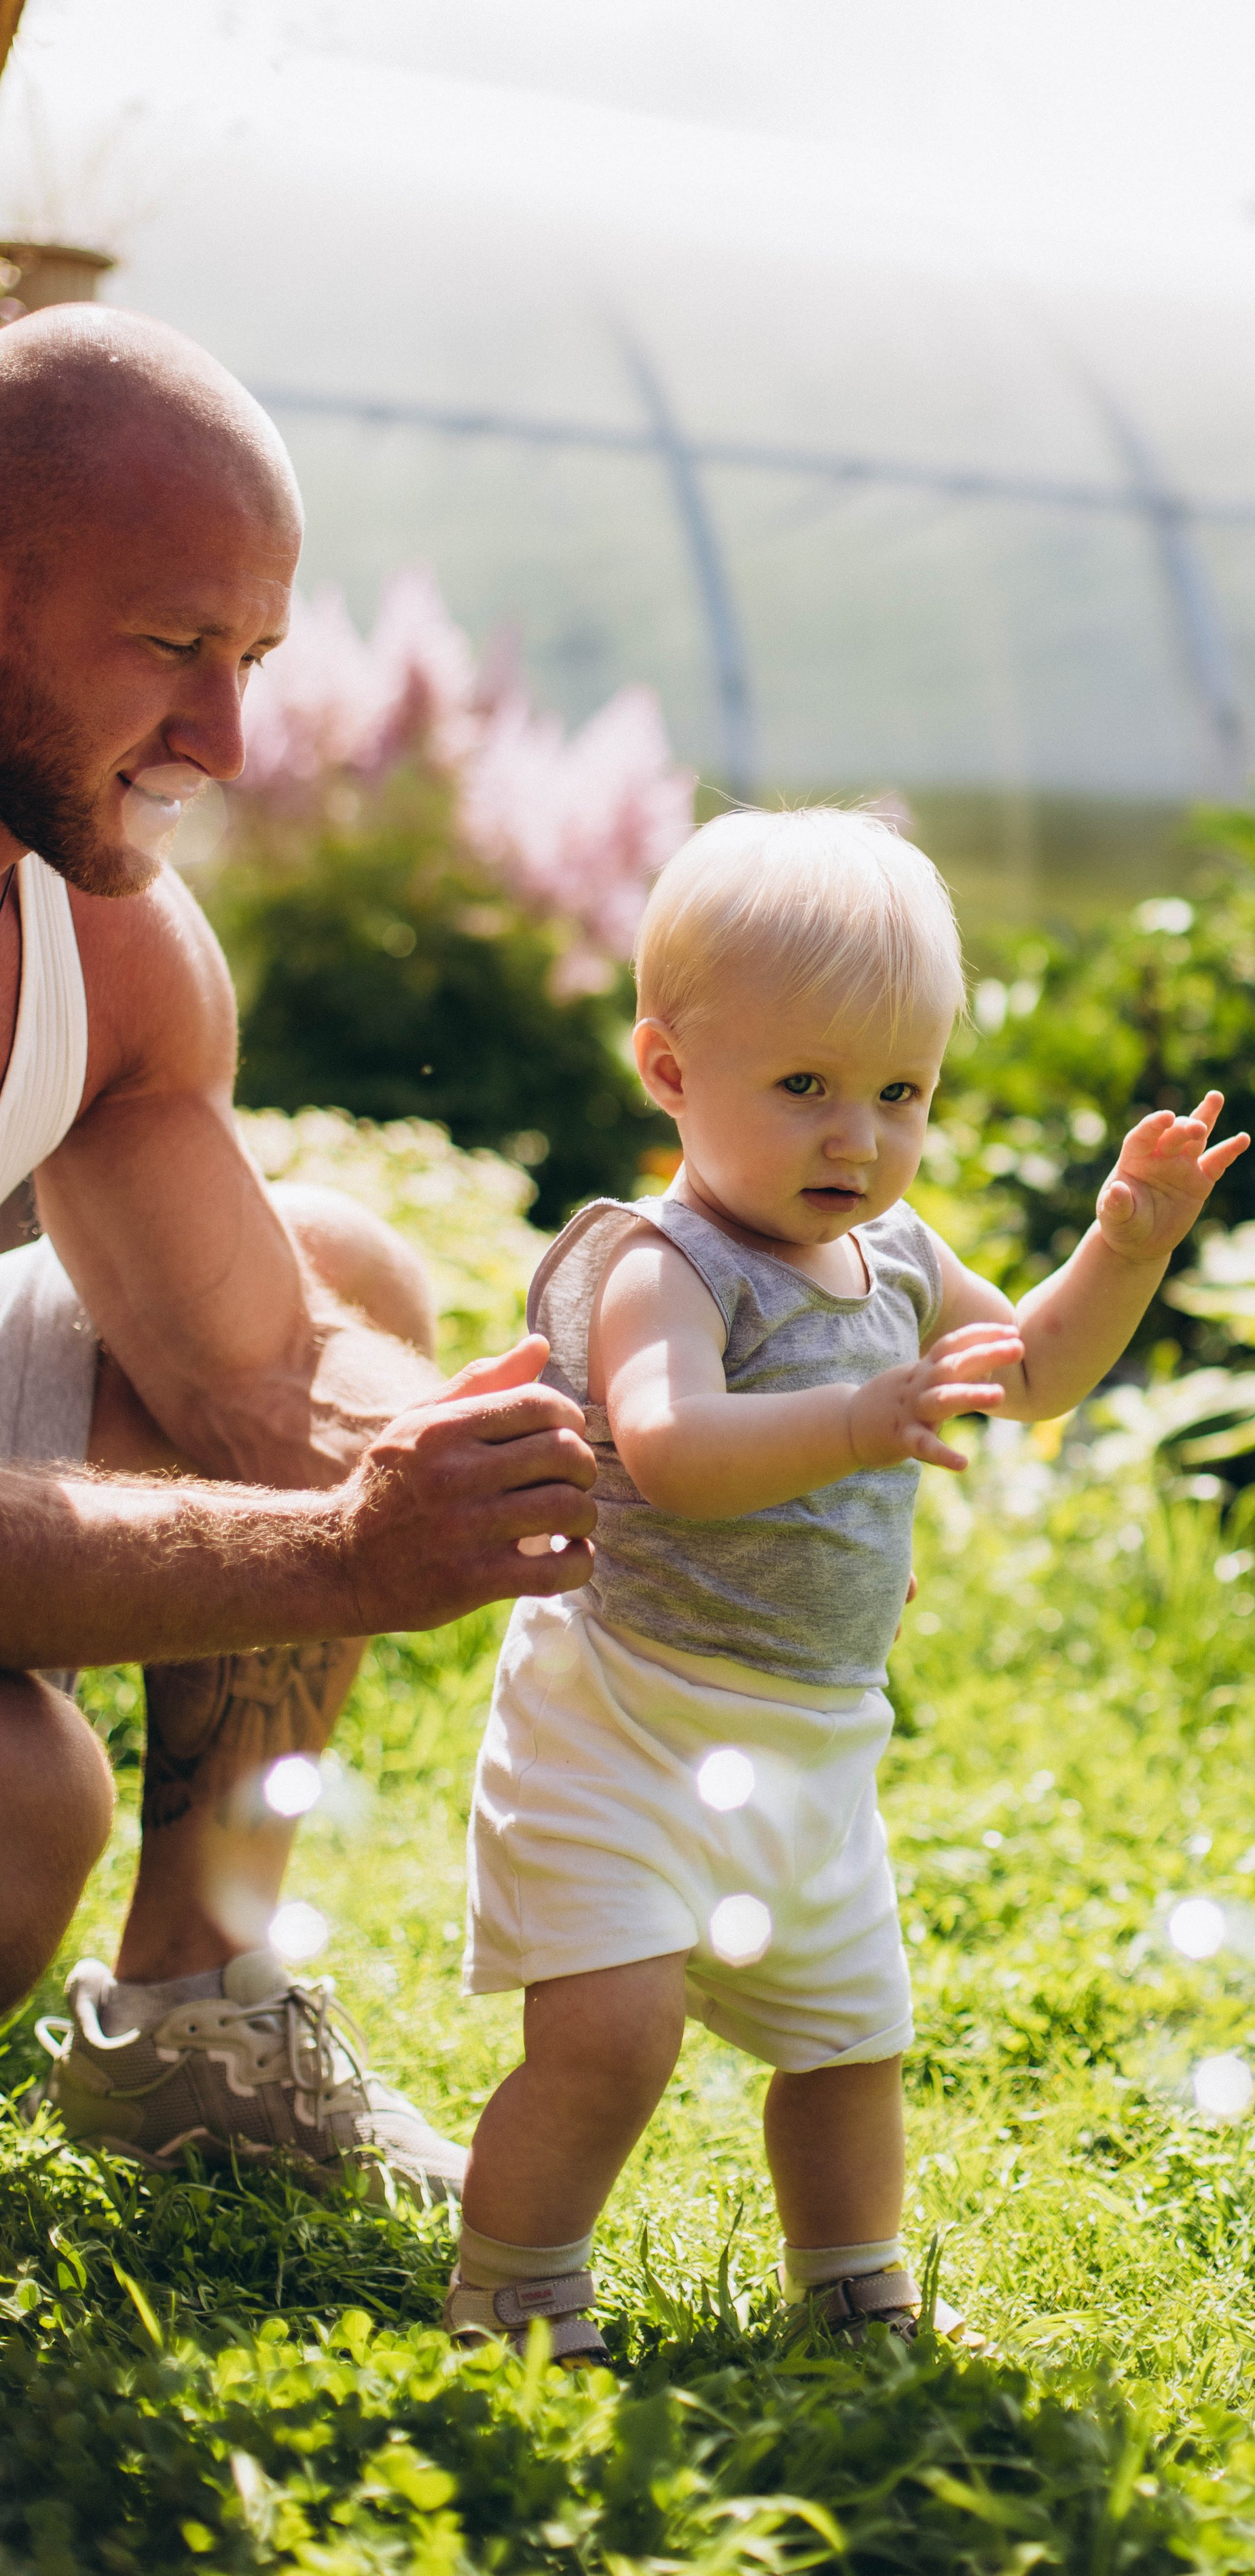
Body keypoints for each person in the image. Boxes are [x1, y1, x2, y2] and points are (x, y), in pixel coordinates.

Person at [448, 807, 1248, 2359]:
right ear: (670, 1071)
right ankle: (518, 2284)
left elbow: (1031, 1376)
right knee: (609, 2038)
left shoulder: (893, 1257)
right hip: (618, 1728)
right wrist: (857, 1418)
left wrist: (1124, 1245)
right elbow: (672, 1450)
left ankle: (851, 2279)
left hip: (813, 1746)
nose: (857, 1139)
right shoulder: (658, 1264)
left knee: (845, 2046)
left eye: (901, 1094)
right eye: (804, 1086)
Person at [0, 303, 598, 2194]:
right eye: (173, 646)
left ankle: (193, 2023)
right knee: (22, 1804)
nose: (230, 741)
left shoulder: (107, 944)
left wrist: (604, 1481)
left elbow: (255, 1373)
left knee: (344, 1268)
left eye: (251, 656)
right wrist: (345, 1548)